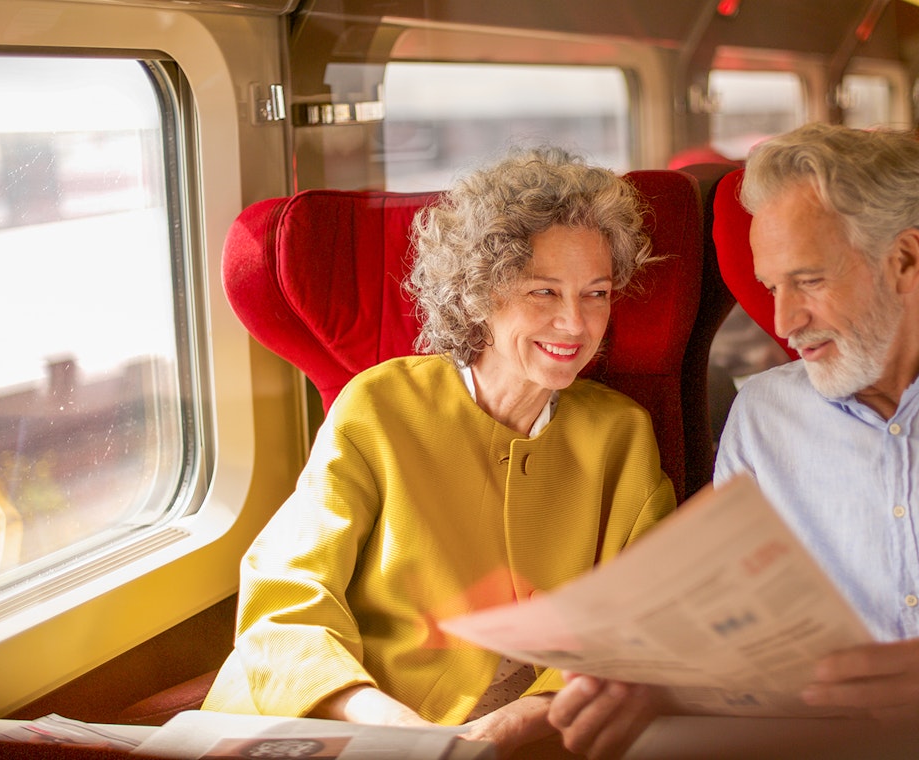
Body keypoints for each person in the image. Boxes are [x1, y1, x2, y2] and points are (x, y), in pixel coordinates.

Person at [548, 123, 919, 757]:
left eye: (809, 281)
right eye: (772, 287)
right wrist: (663, 676)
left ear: (905, 262)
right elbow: (739, 617)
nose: (784, 322)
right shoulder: (763, 412)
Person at [202, 146, 678, 757]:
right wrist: (385, 724)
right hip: (348, 718)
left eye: (597, 294)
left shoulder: (621, 434)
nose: (575, 324)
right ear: (480, 293)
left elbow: (643, 614)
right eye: (543, 292)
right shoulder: (379, 404)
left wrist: (531, 714)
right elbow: (286, 595)